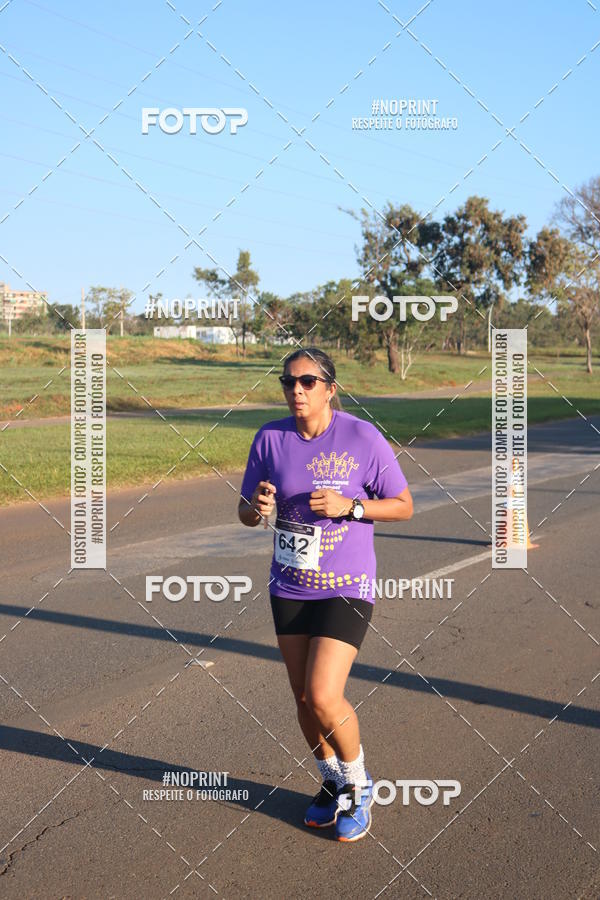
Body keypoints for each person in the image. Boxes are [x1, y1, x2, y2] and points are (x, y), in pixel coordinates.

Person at [238, 347, 413, 841]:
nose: (296, 390)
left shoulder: (361, 436)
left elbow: (403, 505)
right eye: (288, 382)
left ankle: (358, 786)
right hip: (290, 584)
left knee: (322, 694)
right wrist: (257, 507)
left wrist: (350, 507)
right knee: (301, 697)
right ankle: (332, 780)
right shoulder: (269, 438)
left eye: (308, 382)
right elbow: (246, 512)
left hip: (346, 585)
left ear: (330, 389)